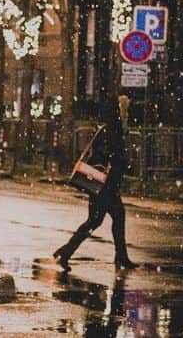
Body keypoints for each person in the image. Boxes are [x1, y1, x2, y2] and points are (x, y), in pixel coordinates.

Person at [54, 97, 135, 270]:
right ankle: (66, 252)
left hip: (106, 186)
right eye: (125, 109)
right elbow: (107, 155)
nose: (127, 112)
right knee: (96, 221)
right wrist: (124, 163)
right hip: (104, 186)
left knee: (110, 219)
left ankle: (120, 256)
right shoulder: (112, 130)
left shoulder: (112, 128)